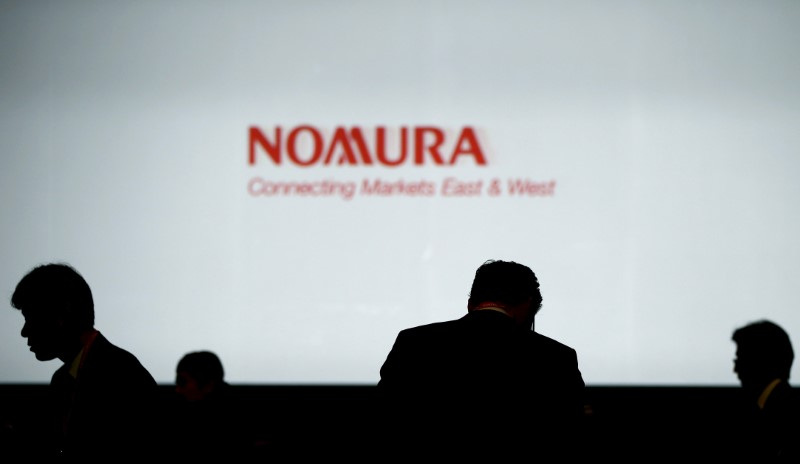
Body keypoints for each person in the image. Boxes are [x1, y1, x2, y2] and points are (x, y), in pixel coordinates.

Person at [376, 259, 586, 458]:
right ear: (528, 305)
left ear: (470, 303)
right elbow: (569, 434)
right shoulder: (556, 357)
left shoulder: (414, 342)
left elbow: (385, 418)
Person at [10, 262, 161, 460]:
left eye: (30, 318)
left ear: (60, 316)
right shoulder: (68, 377)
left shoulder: (119, 375)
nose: (24, 331)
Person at [729, 319, 799, 461]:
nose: (735, 369)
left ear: (756, 361)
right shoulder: (782, 404)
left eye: (739, 359)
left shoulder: (780, 412)